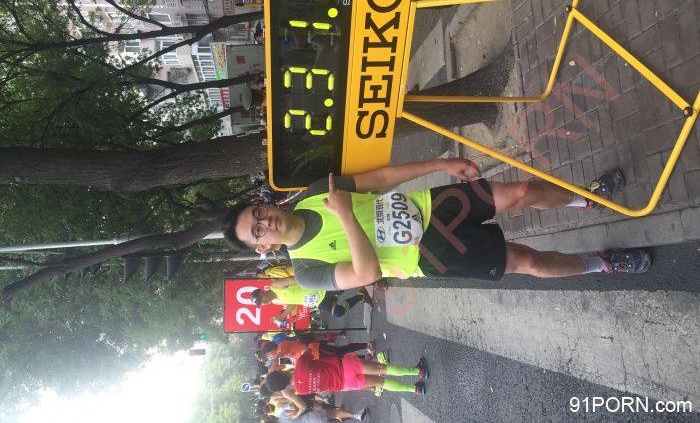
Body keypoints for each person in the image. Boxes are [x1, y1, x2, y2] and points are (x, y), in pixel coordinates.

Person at [224, 159, 649, 292]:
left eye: (258, 214)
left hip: (432, 207)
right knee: (529, 262)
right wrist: (346, 216)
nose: (265, 222)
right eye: (257, 231)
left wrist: (441, 164)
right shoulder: (306, 271)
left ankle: (588, 198)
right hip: (429, 255)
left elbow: (381, 178)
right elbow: (367, 273)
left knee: (522, 191)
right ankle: (604, 263)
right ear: (263, 248)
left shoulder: (315, 191)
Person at [264, 351, 429, 415]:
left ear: (282, 388)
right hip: (344, 367)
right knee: (382, 368)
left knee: (381, 382)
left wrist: (297, 414)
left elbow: (302, 406)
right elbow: (309, 352)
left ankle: (414, 388)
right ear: (280, 371)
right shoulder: (300, 365)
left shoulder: (300, 391)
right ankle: (418, 371)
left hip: (344, 384)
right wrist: (291, 359)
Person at [251, 277, 372, 319]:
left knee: (344, 285)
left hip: (320, 288)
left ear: (262, 291)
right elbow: (292, 303)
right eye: (261, 304)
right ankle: (361, 295)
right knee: (338, 312)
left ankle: (370, 279)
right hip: (316, 301)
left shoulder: (276, 285)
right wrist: (283, 315)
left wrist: (316, 280)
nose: (263, 303)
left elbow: (296, 278)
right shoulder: (275, 301)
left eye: (261, 299)